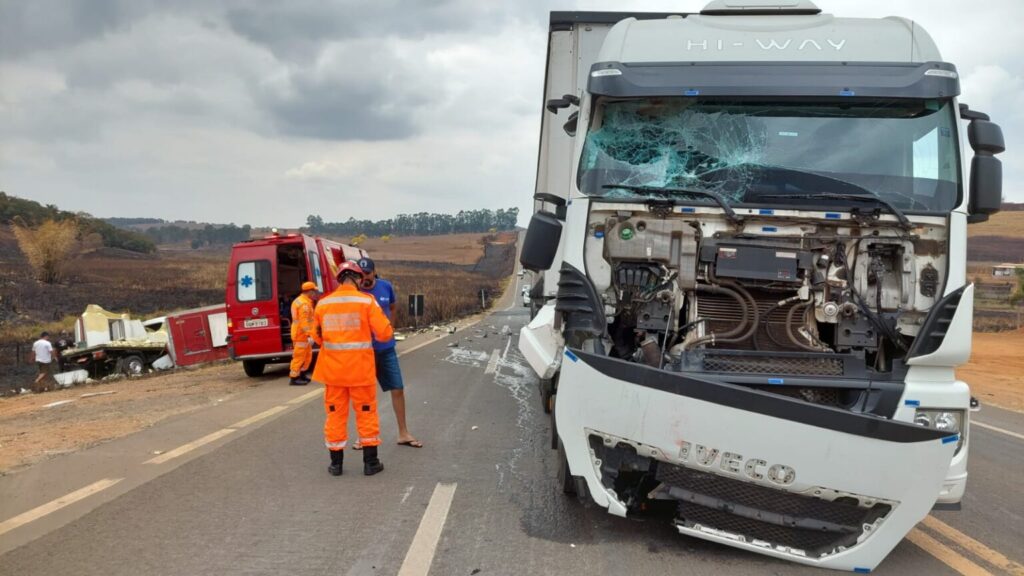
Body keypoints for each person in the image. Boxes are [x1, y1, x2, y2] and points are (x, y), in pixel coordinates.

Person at [311, 261, 393, 476]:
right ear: (358, 278)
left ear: (339, 279)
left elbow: (316, 336)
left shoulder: (323, 303)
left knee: (335, 416)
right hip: (360, 371)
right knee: (366, 414)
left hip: (333, 372)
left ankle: (336, 464)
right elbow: (384, 333)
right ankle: (370, 463)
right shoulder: (367, 301)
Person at [355, 257, 422, 449]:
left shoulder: (386, 286)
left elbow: (392, 307)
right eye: (360, 275)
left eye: (367, 274)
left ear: (374, 272)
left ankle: (403, 432)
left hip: (385, 348)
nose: (364, 278)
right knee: (364, 395)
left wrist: (390, 327)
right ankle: (363, 436)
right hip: (364, 352)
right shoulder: (356, 293)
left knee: (398, 388)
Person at [288, 281, 319, 386]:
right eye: (314, 291)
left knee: (307, 356)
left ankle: (301, 374)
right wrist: (309, 334)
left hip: (302, 333)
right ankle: (294, 377)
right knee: (299, 356)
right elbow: (304, 321)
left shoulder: (302, 301)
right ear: (309, 291)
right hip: (301, 334)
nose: (315, 293)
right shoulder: (304, 304)